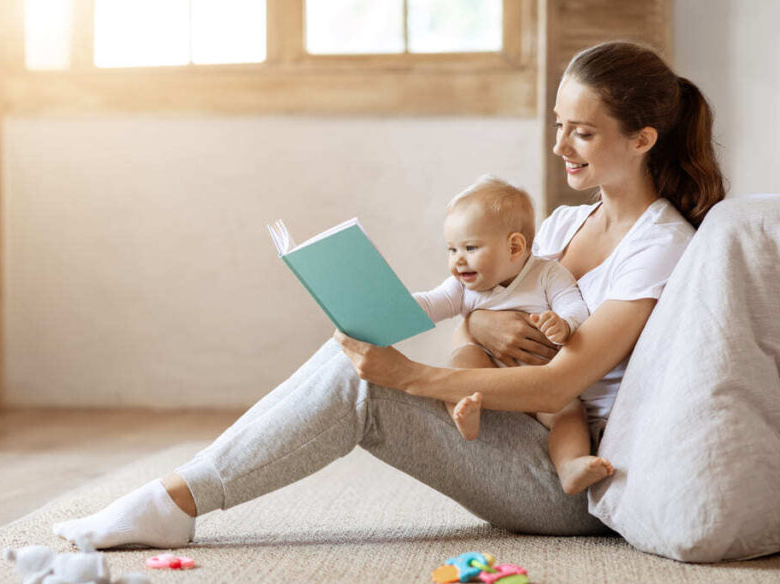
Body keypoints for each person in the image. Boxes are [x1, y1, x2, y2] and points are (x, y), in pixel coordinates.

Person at [53, 41, 727, 551]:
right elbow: (480, 326)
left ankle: (174, 503)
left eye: (582, 132)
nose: (560, 146)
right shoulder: (559, 226)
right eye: (559, 124)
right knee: (355, 354)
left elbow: (564, 382)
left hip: (570, 479)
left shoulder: (659, 245)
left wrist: (410, 374)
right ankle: (175, 496)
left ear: (643, 139)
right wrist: (481, 333)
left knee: (369, 384)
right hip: (511, 425)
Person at [412, 175, 611, 495]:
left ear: (515, 246)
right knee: (463, 358)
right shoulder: (462, 287)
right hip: (488, 386)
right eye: (452, 249)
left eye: (470, 247)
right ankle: (465, 414)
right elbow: (428, 305)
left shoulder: (547, 274)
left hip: (538, 386)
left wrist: (563, 325)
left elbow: (575, 308)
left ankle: (570, 465)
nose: (457, 260)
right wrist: (389, 306)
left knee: (570, 412)